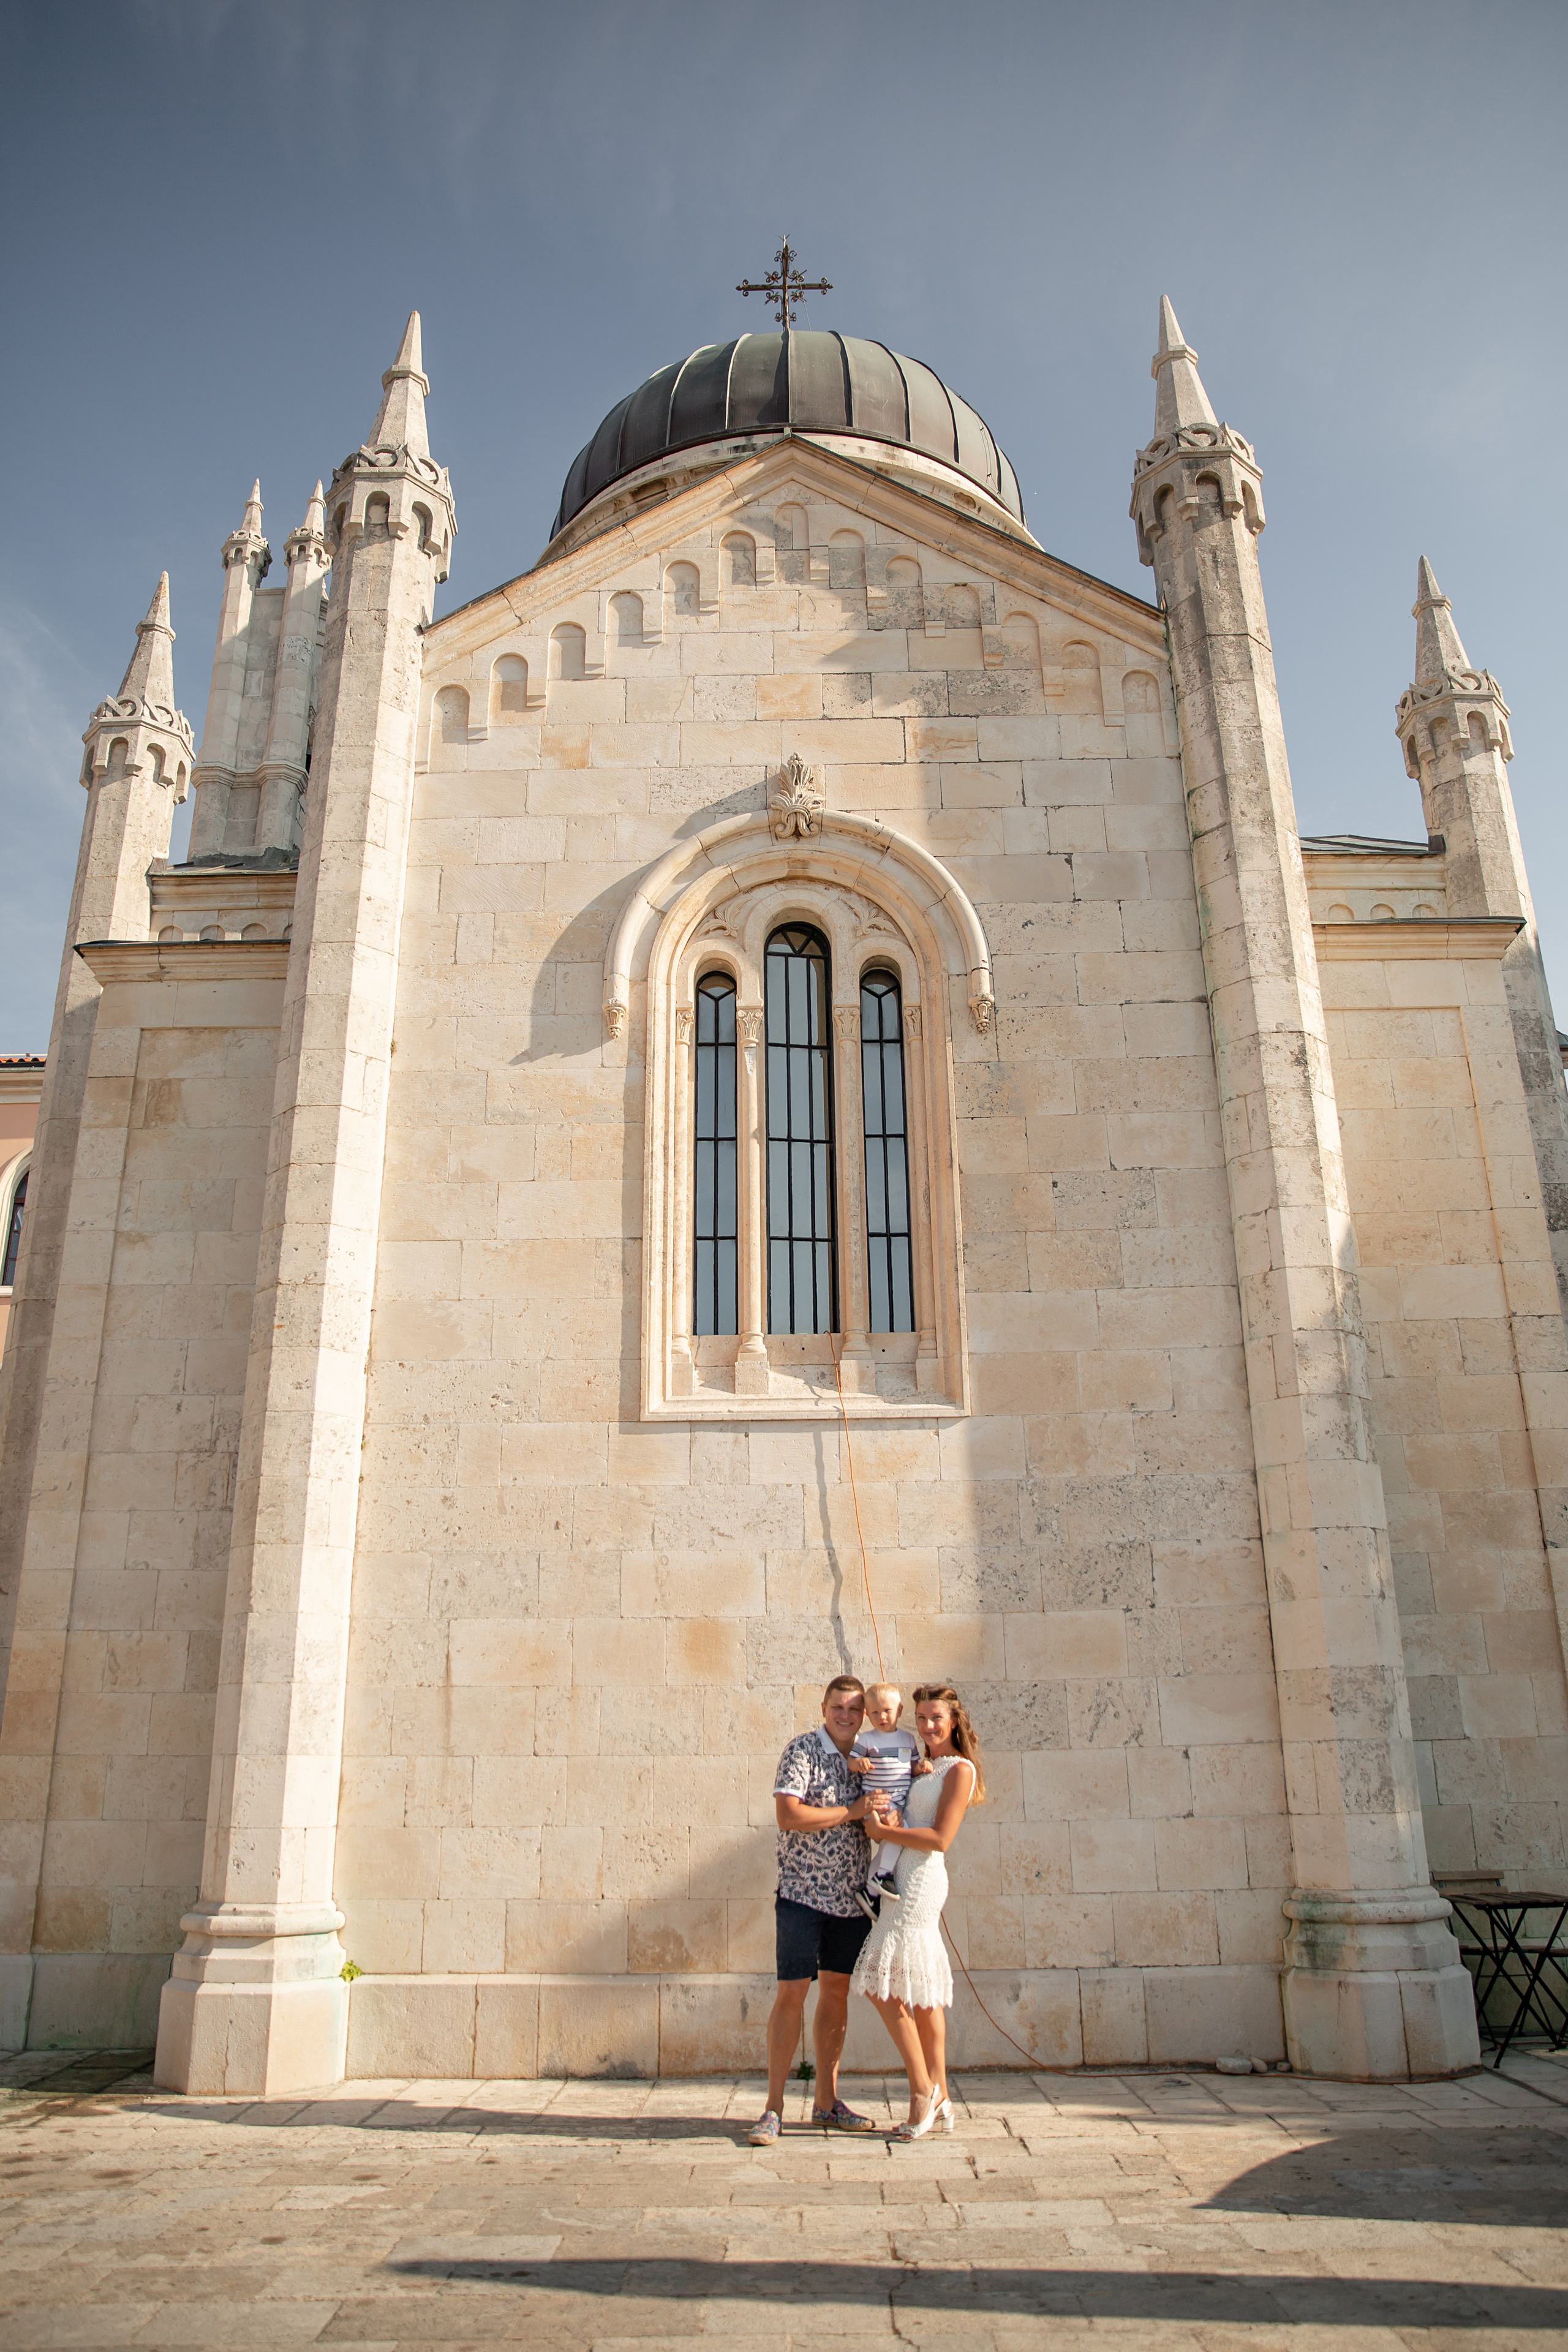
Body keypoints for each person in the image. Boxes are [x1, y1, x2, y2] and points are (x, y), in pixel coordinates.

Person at [747, 1674, 892, 2147]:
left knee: (836, 1993)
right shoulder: (803, 1751)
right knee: (792, 1993)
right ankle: (773, 2109)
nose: (846, 1715)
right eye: (838, 1707)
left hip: (849, 1899)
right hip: (802, 1896)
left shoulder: (866, 1760)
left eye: (855, 1708)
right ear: (824, 1708)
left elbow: (891, 1800)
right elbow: (789, 1815)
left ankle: (827, 2103)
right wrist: (852, 1811)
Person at [850, 1681, 986, 2141]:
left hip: (922, 1879)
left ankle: (921, 2090)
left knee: (882, 1984)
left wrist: (887, 1834)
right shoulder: (922, 1764)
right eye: (922, 1718)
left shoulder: (959, 1770)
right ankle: (942, 2093)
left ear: (953, 1722)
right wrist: (884, 1825)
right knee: (921, 1994)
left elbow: (940, 1839)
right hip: (898, 1872)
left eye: (936, 1719)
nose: (927, 1726)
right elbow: (908, 1819)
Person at [846, 1682, 931, 1913]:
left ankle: (869, 1892)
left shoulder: (908, 1740)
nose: (882, 1717)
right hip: (879, 1800)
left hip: (898, 1800)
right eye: (875, 1713)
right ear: (867, 1715)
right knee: (900, 1833)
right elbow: (851, 1762)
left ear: (900, 1710)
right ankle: (884, 1876)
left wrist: (921, 1768)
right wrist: (859, 1763)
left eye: (887, 1711)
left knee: (886, 1846)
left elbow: (910, 1767)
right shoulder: (867, 1740)